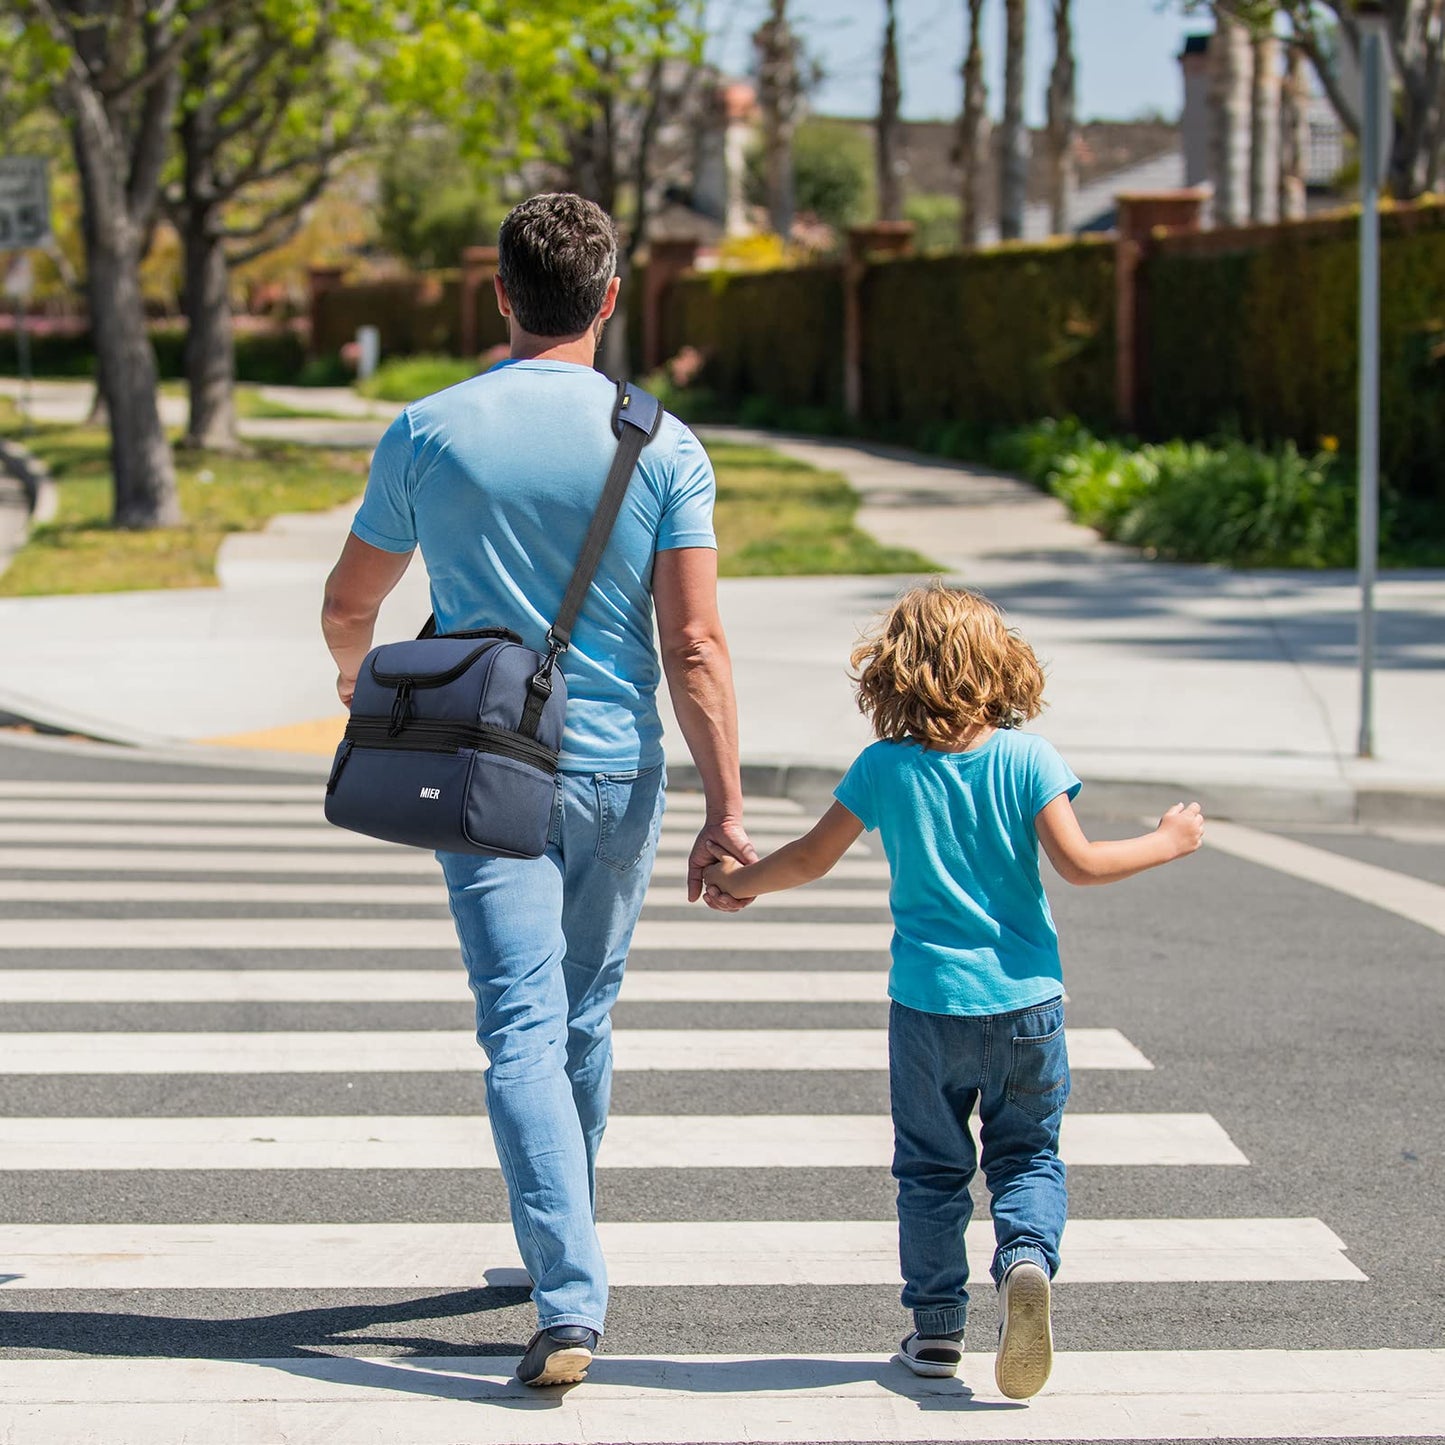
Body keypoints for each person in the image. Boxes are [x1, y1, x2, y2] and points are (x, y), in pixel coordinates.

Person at [322, 192, 756, 1387]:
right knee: (581, 1010)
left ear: (501, 296)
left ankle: (565, 1286)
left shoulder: (427, 429)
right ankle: (559, 1238)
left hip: (483, 765)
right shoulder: (663, 444)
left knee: (517, 1019)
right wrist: (726, 808)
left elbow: (349, 602)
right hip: (615, 768)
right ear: (610, 299)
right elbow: (697, 647)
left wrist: (364, 681)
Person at [703, 582, 1204, 1400]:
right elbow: (1078, 865)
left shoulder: (883, 768)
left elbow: (809, 857)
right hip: (1025, 1006)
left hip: (927, 1006)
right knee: (1026, 1154)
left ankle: (936, 1331)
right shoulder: (1028, 758)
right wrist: (1166, 840)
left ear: (891, 673)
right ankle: (1025, 1260)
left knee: (931, 1170)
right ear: (1000, 664)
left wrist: (741, 882)